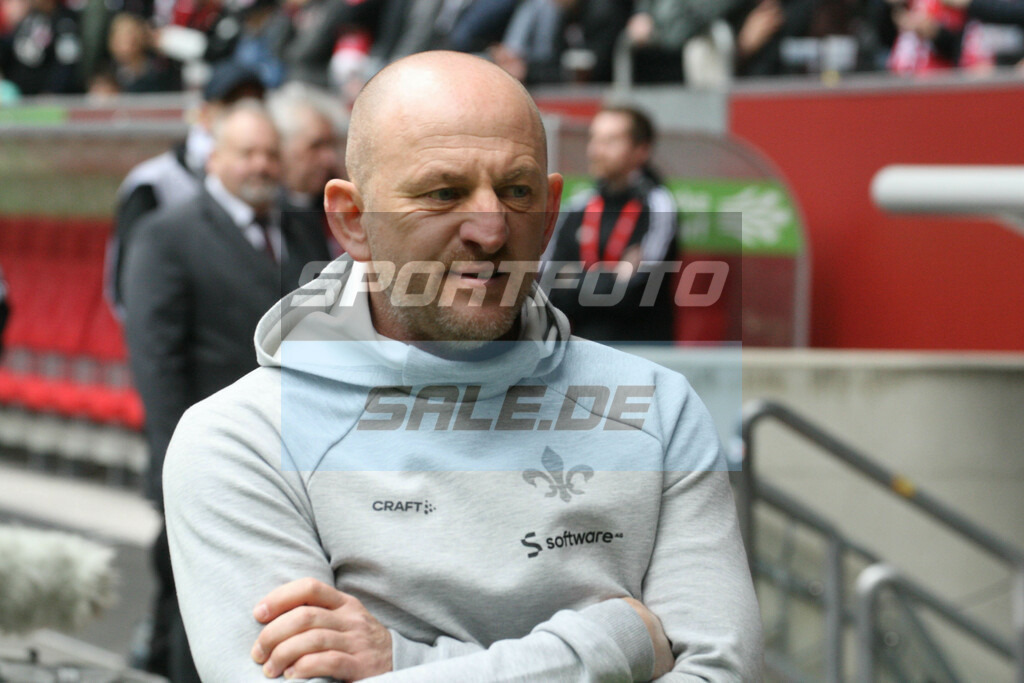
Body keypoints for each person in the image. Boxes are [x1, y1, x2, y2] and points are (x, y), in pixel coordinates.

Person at [163, 50, 761, 681]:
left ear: (551, 210)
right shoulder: (239, 439)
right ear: (352, 220)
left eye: (517, 191)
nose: (490, 228)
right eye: (443, 193)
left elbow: (724, 671)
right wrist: (617, 641)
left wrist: (404, 662)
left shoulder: (659, 410)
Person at [123, 101, 331, 681]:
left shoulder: (298, 225)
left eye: (270, 152)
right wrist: (178, 466)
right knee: (191, 624)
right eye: (247, 153)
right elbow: (157, 363)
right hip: (205, 461)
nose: (262, 165)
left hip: (299, 460)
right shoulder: (167, 233)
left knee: (274, 622)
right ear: (214, 157)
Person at [107, 61, 265, 317]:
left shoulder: (268, 184)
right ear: (204, 114)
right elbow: (129, 292)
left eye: (255, 107)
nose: (245, 118)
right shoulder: (153, 183)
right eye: (232, 106)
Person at [544, 105, 680, 343]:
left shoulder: (658, 204)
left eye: (611, 141)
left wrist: (576, 278)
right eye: (594, 139)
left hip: (645, 351)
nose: (596, 151)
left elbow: (637, 293)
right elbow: (551, 286)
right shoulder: (578, 205)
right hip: (582, 347)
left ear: (641, 150)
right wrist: (615, 277)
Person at [267, 87, 344, 256]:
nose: (329, 158)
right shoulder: (267, 221)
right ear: (281, 147)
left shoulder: (335, 206)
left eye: (331, 145)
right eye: (316, 146)